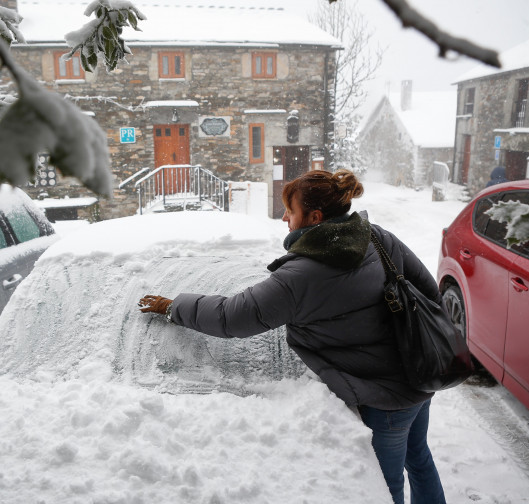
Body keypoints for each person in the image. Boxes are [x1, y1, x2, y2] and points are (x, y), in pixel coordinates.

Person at [138, 169, 447, 504]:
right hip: (419, 373)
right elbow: (428, 290)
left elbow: (232, 317)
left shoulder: (301, 277)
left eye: (291, 210)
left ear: (314, 217)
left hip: (384, 398)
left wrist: (173, 306)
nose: (284, 217)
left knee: (385, 489)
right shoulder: (375, 237)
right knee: (419, 461)